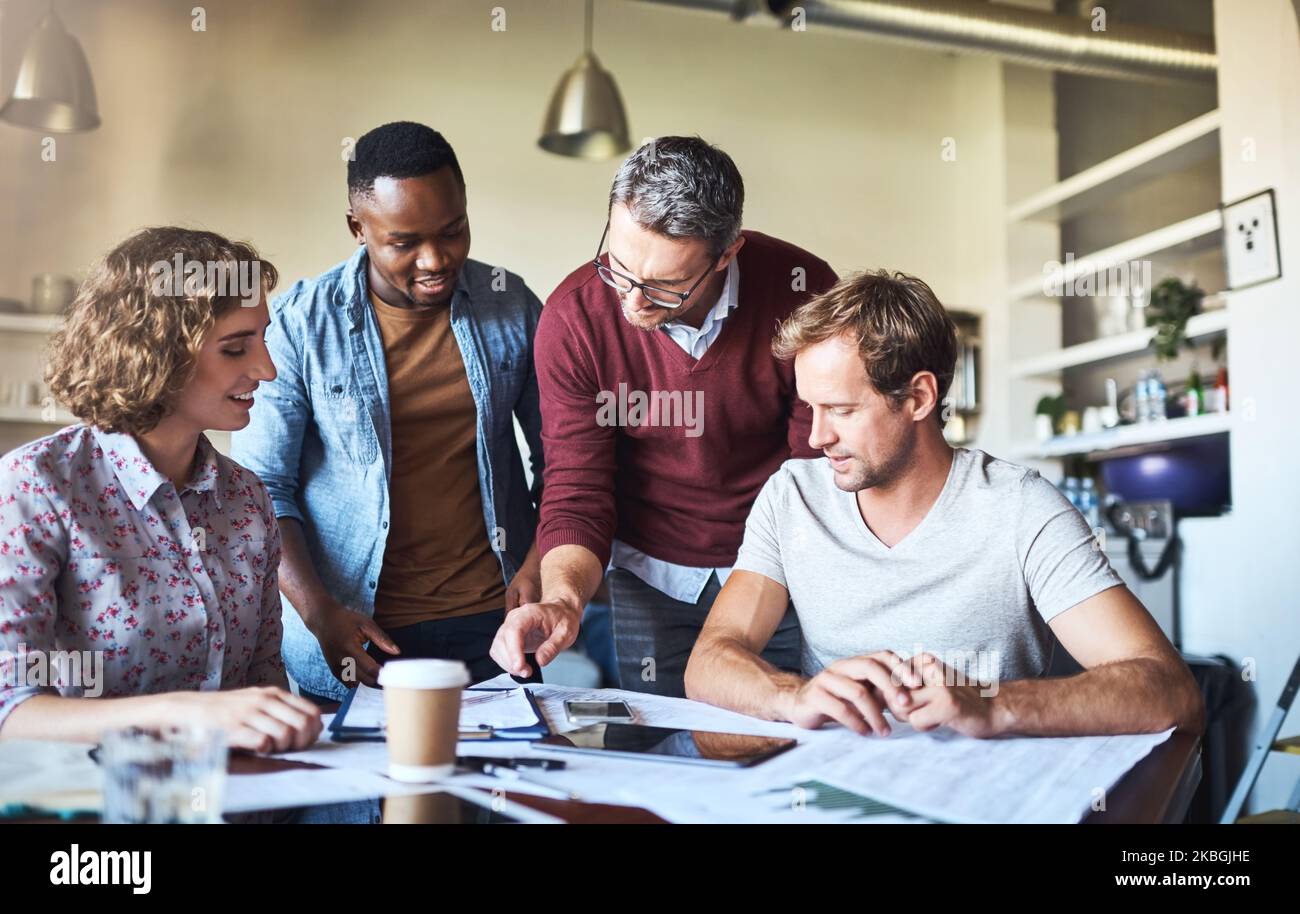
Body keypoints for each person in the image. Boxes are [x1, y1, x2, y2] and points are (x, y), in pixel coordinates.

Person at [684, 269, 1205, 738]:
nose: (817, 436)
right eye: (811, 408)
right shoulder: (792, 497)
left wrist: (994, 705)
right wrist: (791, 696)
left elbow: (1170, 691)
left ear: (918, 398)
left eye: (841, 410)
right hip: (837, 784)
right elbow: (708, 662)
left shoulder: (1022, 509)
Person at [491, 136, 838, 697]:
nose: (631, 302)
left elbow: (814, 469)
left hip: (779, 565)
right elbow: (577, 488)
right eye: (619, 268)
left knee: (782, 734)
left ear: (727, 253)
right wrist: (562, 600)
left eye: (663, 287)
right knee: (656, 738)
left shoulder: (803, 290)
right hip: (649, 570)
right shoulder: (574, 318)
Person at [232, 122, 545, 702]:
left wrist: (539, 563)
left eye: (453, 231)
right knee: (350, 796)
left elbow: (565, 463)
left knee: (496, 795)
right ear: (358, 227)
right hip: (353, 632)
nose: (435, 259)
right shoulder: (301, 324)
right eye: (405, 242)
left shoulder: (513, 306)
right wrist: (319, 612)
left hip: (495, 627)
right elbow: (263, 487)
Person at [0, 227, 321, 753]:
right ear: (157, 353)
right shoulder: (37, 486)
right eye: (236, 348)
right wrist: (188, 714)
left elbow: (263, 685)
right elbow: (8, 708)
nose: (267, 369)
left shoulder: (247, 499)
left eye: (263, 339)